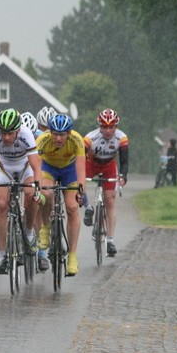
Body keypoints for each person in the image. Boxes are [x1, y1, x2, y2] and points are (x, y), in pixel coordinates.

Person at [0, 108, 43, 274]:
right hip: (4, 168)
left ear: (18, 130)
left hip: (25, 167)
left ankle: (29, 233)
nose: (6, 138)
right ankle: (2, 255)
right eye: (3, 133)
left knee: (30, 195)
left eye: (10, 133)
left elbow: (36, 167)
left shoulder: (27, 135)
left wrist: (37, 188)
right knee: (1, 205)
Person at [36, 113, 86, 276]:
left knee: (72, 208)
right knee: (47, 193)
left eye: (62, 134)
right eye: (55, 134)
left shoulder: (77, 140)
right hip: (48, 169)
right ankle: (45, 227)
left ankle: (72, 256)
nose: (58, 138)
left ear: (69, 133)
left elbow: (81, 170)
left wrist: (81, 191)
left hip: (69, 171)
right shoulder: (42, 140)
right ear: (50, 132)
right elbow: (35, 167)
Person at [82, 108, 129, 257]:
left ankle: (110, 241)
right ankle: (87, 207)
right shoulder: (90, 138)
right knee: (78, 182)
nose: (108, 131)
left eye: (111, 127)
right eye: (104, 127)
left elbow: (124, 160)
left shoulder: (121, 138)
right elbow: (79, 158)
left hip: (109, 166)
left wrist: (123, 176)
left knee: (110, 199)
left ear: (116, 126)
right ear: (99, 126)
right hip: (91, 163)